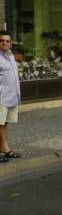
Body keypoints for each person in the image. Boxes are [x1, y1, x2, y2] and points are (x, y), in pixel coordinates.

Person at [0, 31, 21, 163]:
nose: (5, 43)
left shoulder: (11, 55)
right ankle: (5, 149)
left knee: (4, 124)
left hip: (12, 96)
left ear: (11, 43)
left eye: (7, 41)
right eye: (2, 40)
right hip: (1, 97)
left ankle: (4, 149)